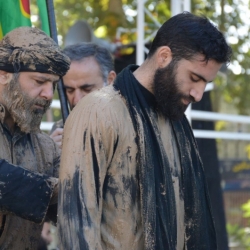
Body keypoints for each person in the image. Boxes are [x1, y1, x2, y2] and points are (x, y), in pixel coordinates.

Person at [58, 12, 232, 250]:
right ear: (164, 56)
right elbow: (76, 225)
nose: (198, 94)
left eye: (205, 84)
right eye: (194, 78)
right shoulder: (99, 111)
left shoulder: (176, 119)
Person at [0, 26, 70, 249]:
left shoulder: (47, 147)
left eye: (53, 84)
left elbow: (71, 210)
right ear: (3, 75)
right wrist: (69, 187)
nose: (48, 94)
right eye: (40, 82)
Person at [50, 42, 116, 149]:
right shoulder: (60, 130)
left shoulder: (134, 123)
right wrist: (51, 155)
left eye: (87, 89)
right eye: (70, 90)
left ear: (110, 80)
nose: (77, 100)